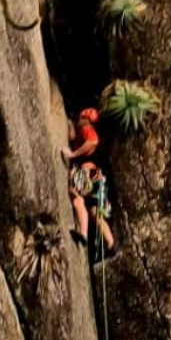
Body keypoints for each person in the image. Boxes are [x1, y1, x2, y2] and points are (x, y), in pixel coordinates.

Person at [61, 109, 117, 258]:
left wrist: (72, 154)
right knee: (89, 208)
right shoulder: (80, 131)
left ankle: (89, 234)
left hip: (89, 173)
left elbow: (93, 141)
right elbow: (74, 137)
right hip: (95, 178)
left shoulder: (87, 129)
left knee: (77, 196)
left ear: (85, 119)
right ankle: (92, 237)